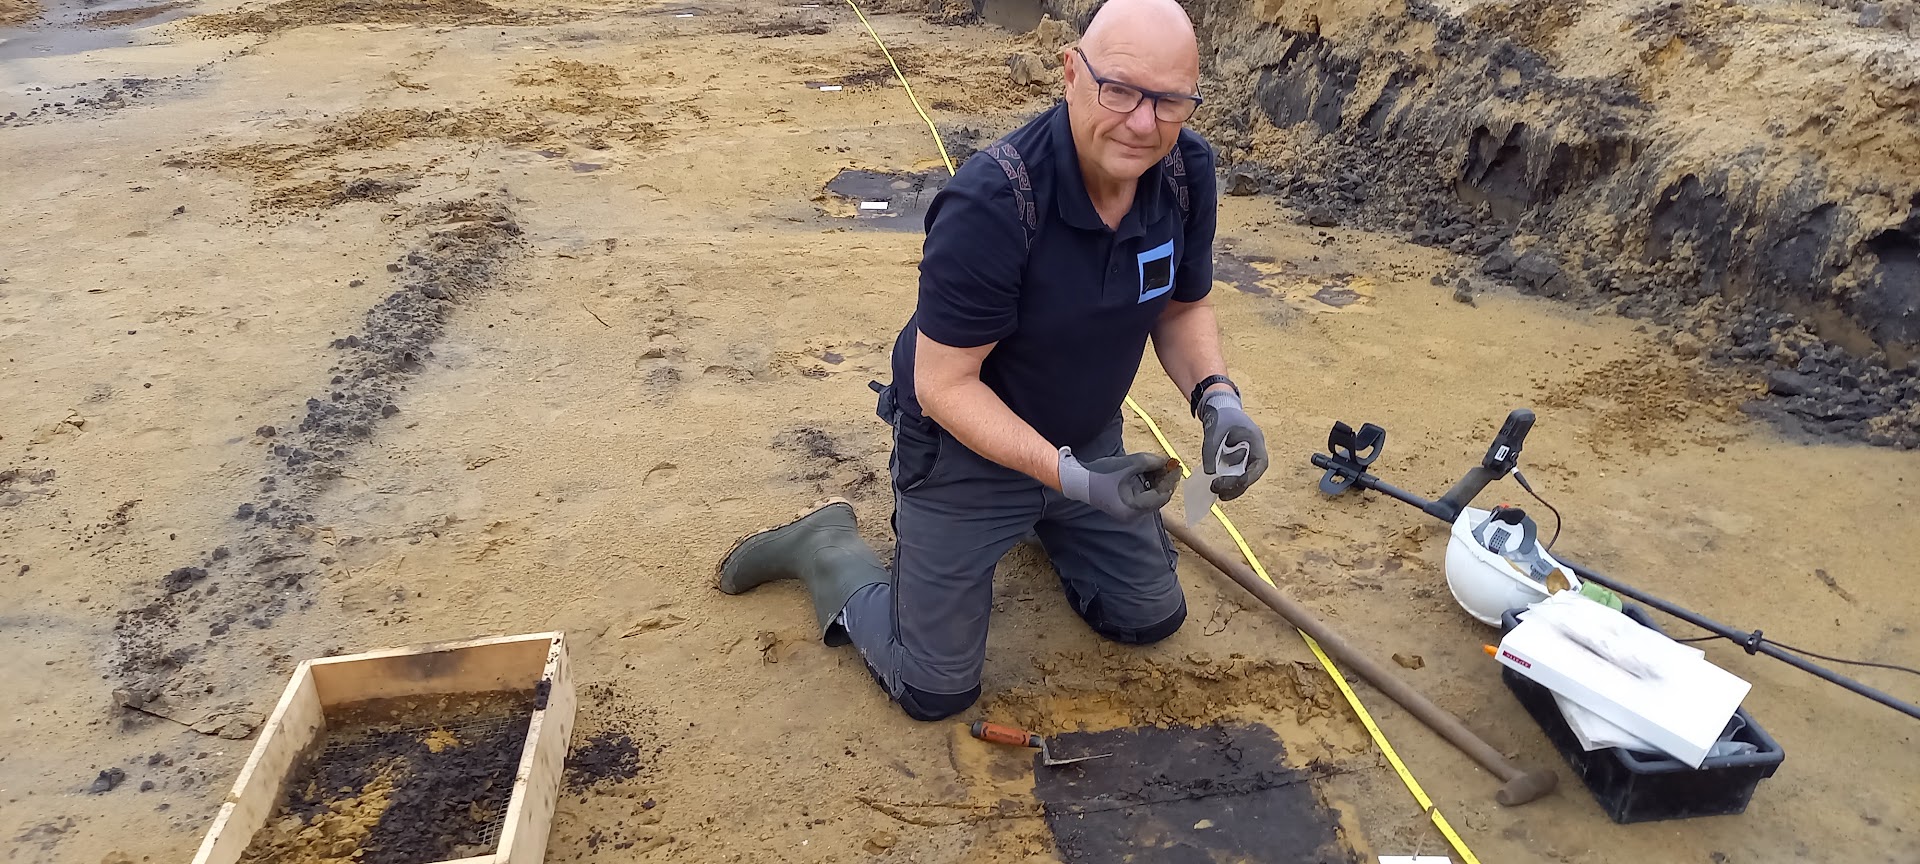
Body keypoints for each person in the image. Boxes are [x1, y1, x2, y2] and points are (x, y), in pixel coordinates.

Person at [716, 0, 1268, 721]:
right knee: (934, 690)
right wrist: (1068, 477)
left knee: (1148, 620)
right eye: (1121, 90)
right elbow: (943, 385)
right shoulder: (994, 203)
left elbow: (1180, 307)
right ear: (1072, 73)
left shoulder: (1186, 173)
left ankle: (1051, 520)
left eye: (1169, 101)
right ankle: (828, 550)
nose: (1143, 122)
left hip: (1088, 441)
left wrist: (1218, 400)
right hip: (962, 453)